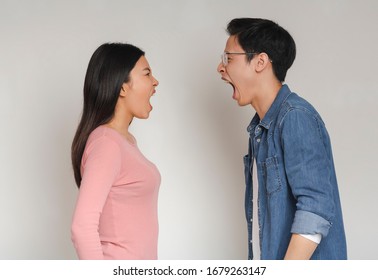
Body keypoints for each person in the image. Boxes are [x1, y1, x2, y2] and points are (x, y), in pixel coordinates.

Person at [217, 18, 347, 260]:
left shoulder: (295, 117)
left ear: (260, 62)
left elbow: (315, 209)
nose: (220, 67)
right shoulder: (260, 130)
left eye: (228, 58)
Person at [71, 43, 160, 260]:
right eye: (147, 73)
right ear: (122, 87)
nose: (155, 81)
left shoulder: (123, 142)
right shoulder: (106, 143)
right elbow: (82, 227)